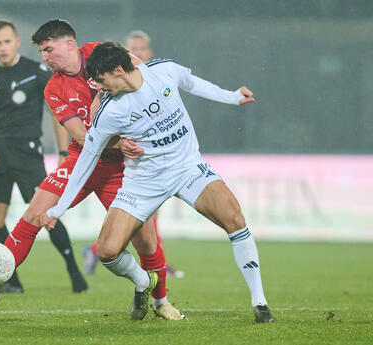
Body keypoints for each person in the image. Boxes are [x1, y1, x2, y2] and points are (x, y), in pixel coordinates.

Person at [0, 19, 184, 321]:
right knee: (32, 214)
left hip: (120, 169)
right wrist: (119, 142)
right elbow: (80, 135)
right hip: (81, 163)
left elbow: (143, 73)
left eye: (48, 49)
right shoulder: (53, 86)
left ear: (69, 44)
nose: (45, 57)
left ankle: (161, 302)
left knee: (144, 239)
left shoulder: (100, 53)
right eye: (41, 52)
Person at [41, 42, 276, 323]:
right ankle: (143, 282)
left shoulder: (163, 71)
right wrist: (59, 207)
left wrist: (232, 97)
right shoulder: (109, 111)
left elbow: (193, 83)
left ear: (119, 69)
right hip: (143, 181)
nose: (101, 90)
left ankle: (260, 304)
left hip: (187, 168)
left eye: (103, 82)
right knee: (107, 251)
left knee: (235, 219)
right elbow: (86, 161)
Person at [0, 20, 87, 294]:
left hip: (28, 153)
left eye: (7, 41)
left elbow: (58, 115)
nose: (3, 47)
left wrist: (63, 151)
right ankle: (11, 281)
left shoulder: (36, 72)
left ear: (17, 42)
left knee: (44, 213)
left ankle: (73, 270)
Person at [82, 30, 184, 279]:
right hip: (134, 157)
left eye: (142, 48)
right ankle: (155, 265)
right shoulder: (114, 86)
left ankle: (97, 250)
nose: (138, 52)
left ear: (150, 52)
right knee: (144, 214)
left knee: (148, 213)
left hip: (155, 152)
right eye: (133, 48)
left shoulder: (153, 77)